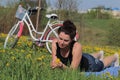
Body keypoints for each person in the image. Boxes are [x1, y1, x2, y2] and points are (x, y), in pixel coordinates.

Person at [50, 20, 119, 72]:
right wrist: (54, 64)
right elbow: (54, 60)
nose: (61, 42)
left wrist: (61, 66)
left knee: (102, 64)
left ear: (71, 40)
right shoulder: (55, 43)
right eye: (60, 38)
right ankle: (100, 53)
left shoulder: (77, 47)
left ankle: (115, 57)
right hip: (81, 57)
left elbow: (72, 72)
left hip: (89, 65)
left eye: (66, 40)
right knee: (85, 56)